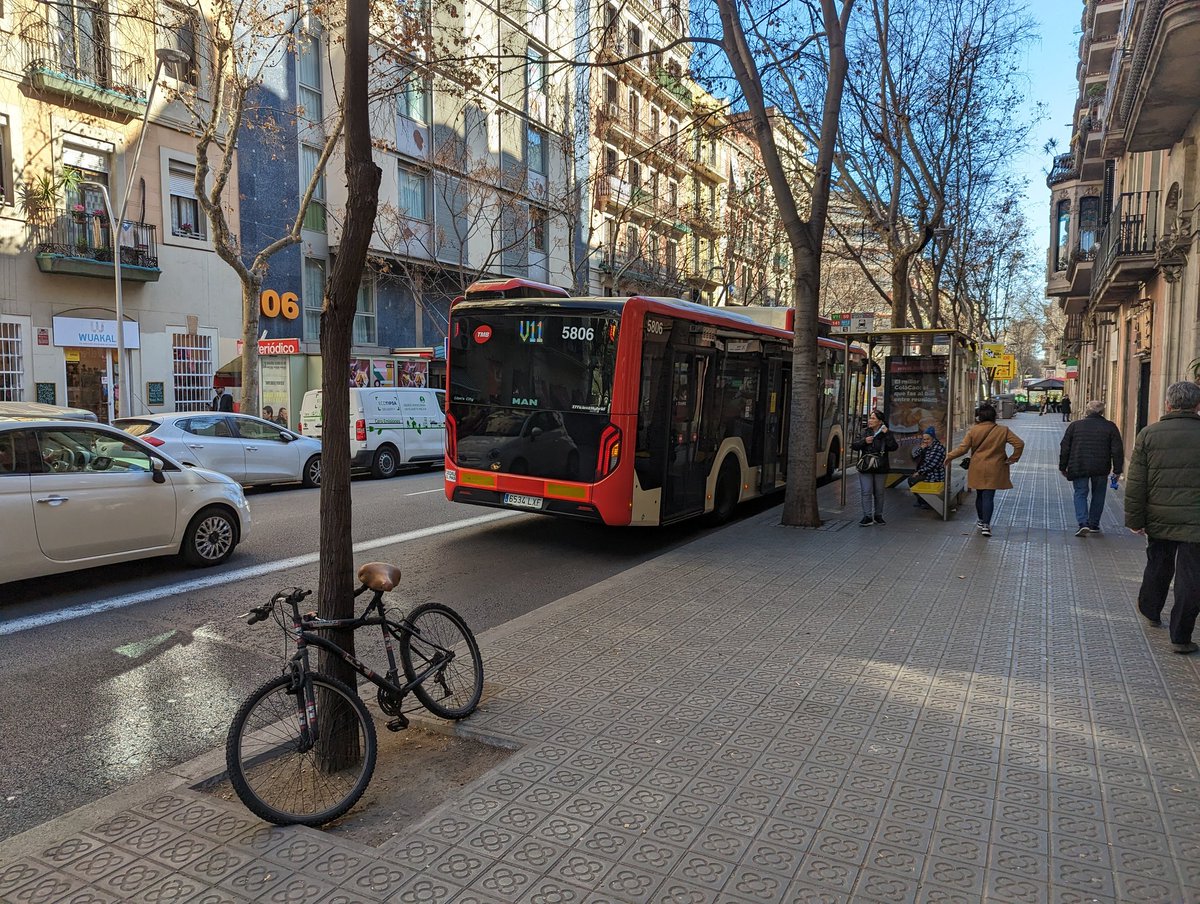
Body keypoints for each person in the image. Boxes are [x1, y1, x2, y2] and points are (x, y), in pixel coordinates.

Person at [1125, 380, 1200, 655]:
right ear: (1197, 406)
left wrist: (1135, 518)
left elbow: (1136, 482)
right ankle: (1180, 636)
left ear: (1168, 404)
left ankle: (1150, 609)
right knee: (1192, 578)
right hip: (1196, 523)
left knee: (1158, 565)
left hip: (1159, 516)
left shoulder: (1149, 434)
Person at [945, 402, 1024, 537]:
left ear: (979, 417)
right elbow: (1019, 443)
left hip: (977, 467)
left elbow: (963, 449)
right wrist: (1012, 458)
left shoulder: (974, 430)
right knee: (989, 496)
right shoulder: (1003, 430)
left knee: (980, 495)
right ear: (994, 416)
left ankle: (981, 520)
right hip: (996, 468)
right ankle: (986, 525)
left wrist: (949, 457)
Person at [1059, 399, 1124, 537]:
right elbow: (1117, 450)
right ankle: (1094, 524)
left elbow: (1065, 447)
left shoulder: (1075, 426)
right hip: (1101, 466)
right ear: (1102, 412)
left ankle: (1083, 523)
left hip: (1079, 464)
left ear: (1087, 411)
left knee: (1080, 492)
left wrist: (1063, 466)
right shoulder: (1110, 426)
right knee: (1098, 494)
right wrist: (1117, 470)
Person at [850, 409, 898, 526]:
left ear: (880, 421)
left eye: (873, 418)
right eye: (870, 418)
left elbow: (893, 447)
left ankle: (878, 515)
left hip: (880, 466)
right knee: (866, 491)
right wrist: (864, 441)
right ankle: (867, 516)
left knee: (879, 492)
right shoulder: (864, 432)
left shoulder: (886, 433)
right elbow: (854, 445)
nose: (870, 420)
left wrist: (887, 435)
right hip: (866, 466)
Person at [909, 426, 946, 509]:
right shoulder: (929, 446)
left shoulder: (937, 448)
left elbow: (931, 465)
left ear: (933, 438)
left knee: (913, 479)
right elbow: (915, 455)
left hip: (934, 475)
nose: (925, 441)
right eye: (924, 439)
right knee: (912, 479)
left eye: (927, 439)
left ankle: (924, 501)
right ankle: (922, 500)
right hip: (928, 473)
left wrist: (919, 472)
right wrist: (921, 448)